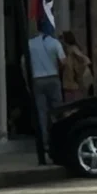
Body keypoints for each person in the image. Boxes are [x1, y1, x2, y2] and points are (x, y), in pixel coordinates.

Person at [27, 28, 67, 158]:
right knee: (57, 110)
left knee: (41, 112)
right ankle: (58, 139)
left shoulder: (30, 43)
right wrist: (57, 69)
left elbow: (23, 62)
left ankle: (44, 142)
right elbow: (63, 61)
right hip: (53, 77)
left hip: (37, 79)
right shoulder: (55, 43)